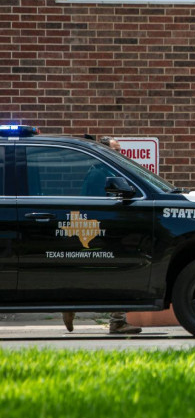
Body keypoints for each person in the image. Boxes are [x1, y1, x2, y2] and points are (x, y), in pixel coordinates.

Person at [64, 136, 143, 335]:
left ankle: (72, 302)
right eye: (115, 149)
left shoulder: (101, 171)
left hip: (103, 230)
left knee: (99, 274)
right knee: (117, 274)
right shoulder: (101, 173)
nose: (119, 153)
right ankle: (117, 321)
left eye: (119, 149)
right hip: (104, 231)